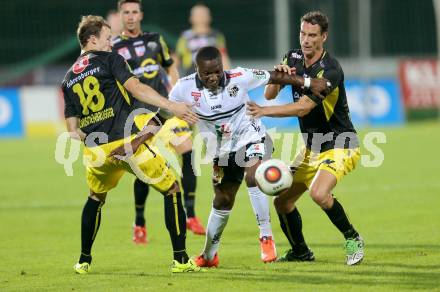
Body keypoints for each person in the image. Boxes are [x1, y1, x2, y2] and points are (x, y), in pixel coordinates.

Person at [62, 15, 201, 274]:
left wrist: (93, 135)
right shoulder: (111, 60)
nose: (111, 44)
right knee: (171, 188)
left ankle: (83, 260)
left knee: (95, 197)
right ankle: (181, 260)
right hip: (127, 143)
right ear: (92, 39)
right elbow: (136, 88)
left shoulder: (68, 78)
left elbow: (72, 130)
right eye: (107, 39)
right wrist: (172, 106)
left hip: (96, 151)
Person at [168, 46, 330, 267]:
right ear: (197, 70)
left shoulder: (239, 76)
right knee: (222, 200)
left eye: (217, 71)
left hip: (252, 137)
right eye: (207, 74)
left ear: (222, 66)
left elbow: (273, 76)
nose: (213, 77)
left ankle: (266, 236)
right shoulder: (183, 88)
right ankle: (209, 255)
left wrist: (310, 83)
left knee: (255, 175)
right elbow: (168, 108)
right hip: (222, 153)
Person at [247, 11, 365, 266]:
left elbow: (302, 108)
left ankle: (353, 237)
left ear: (324, 37)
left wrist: (263, 112)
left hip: (341, 143)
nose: (306, 40)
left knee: (319, 194)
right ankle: (300, 251)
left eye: (312, 35)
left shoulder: (330, 70)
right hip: (312, 147)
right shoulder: (293, 57)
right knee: (282, 201)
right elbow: (269, 94)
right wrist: (278, 76)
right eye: (303, 34)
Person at [111, 0, 206, 243]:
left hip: (164, 111)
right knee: (145, 171)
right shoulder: (114, 47)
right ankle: (140, 222)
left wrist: (176, 93)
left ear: (141, 14)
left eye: (134, 12)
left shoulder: (156, 40)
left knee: (188, 150)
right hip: (138, 117)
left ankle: (191, 214)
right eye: (126, 13)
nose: (131, 17)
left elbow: (169, 65)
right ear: (120, 16)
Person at [176, 4, 231, 76]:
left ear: (210, 17)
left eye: (204, 14)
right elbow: (177, 58)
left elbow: (223, 56)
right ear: (191, 18)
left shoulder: (217, 36)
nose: (201, 17)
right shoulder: (185, 37)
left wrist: (228, 76)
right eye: (198, 15)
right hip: (191, 74)